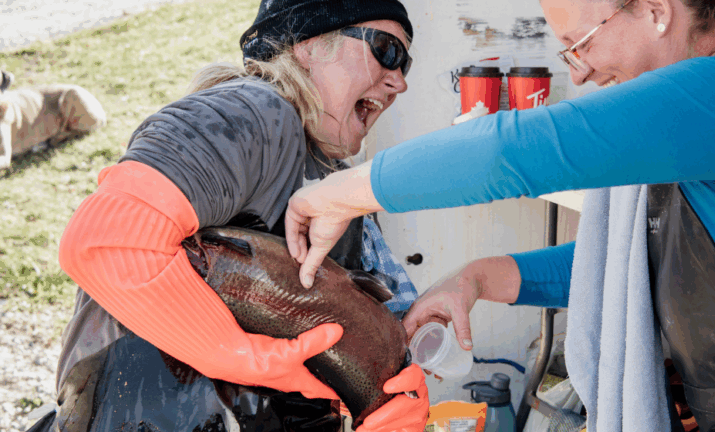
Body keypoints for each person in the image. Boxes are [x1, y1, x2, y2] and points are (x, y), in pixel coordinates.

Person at [284, 0, 715, 430]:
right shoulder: (699, 125)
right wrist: (474, 279)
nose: (577, 74)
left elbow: (514, 151)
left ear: (657, 10)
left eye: (579, 44)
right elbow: (622, 266)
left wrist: (342, 192)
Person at [41, 1, 430, 431]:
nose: (399, 82)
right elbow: (105, 240)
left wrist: (382, 399)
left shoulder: (331, 179)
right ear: (309, 45)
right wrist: (246, 359)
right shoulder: (255, 112)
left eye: (405, 64)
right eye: (387, 50)